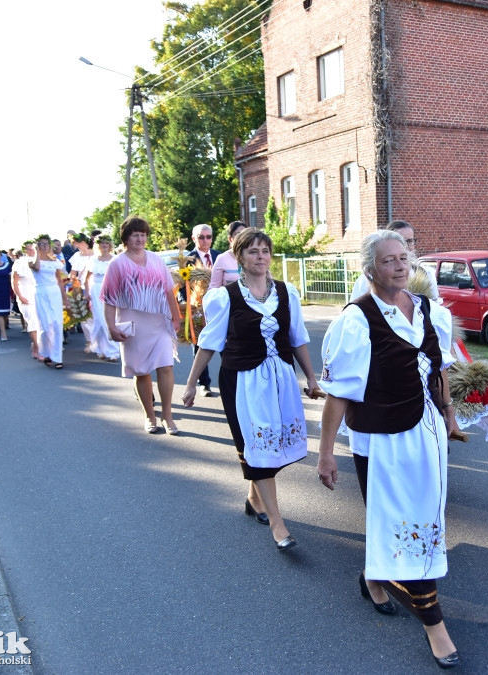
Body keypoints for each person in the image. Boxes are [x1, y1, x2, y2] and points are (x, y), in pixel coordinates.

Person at [317, 229, 460, 669]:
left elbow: (438, 371)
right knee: (401, 520)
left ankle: (373, 576)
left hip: (428, 434)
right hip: (382, 439)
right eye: (389, 261)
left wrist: (450, 413)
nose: (401, 266)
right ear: (370, 270)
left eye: (404, 257)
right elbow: (338, 394)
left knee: (426, 517)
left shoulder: (431, 311)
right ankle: (434, 624)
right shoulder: (356, 320)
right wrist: (325, 453)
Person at [181, 228, 320, 551]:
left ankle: (254, 499)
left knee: (275, 446)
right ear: (240, 257)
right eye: (253, 251)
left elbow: (297, 338)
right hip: (242, 381)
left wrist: (311, 379)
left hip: (281, 379)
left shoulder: (287, 293)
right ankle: (277, 522)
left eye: (265, 251)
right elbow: (209, 343)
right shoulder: (224, 296)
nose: (260, 257)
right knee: (257, 447)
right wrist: (191, 383)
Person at [101, 216, 182, 434]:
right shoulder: (116, 264)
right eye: (135, 234)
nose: (140, 238)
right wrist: (111, 327)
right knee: (141, 371)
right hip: (133, 324)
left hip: (159, 321)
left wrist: (176, 318)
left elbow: (168, 291)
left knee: (166, 366)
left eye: (143, 234)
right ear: (126, 238)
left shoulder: (156, 260)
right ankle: (150, 415)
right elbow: (109, 300)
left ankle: (167, 415)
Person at [348, 221, 438, 301]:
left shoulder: (425, 273)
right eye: (400, 241)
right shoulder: (365, 280)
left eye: (410, 241)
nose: (405, 246)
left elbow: (434, 304)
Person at [188, 223, 221, 396]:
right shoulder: (187, 259)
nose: (205, 240)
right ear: (194, 238)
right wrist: (188, 307)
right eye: (201, 237)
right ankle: (204, 383)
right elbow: (181, 287)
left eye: (208, 236)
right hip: (198, 309)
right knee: (200, 346)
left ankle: (230, 380)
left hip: (219, 307)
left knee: (225, 344)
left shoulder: (219, 256)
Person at [29, 235, 68, 368]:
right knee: (46, 327)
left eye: (46, 244)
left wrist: (65, 299)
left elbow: (60, 281)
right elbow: (37, 267)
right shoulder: (32, 260)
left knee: (57, 325)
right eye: (41, 244)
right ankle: (46, 353)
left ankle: (57, 358)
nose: (44, 246)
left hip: (54, 292)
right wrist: (36, 252)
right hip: (40, 292)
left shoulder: (55, 262)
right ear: (37, 246)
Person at [84, 234, 121, 362]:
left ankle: (113, 351)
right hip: (96, 290)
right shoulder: (93, 260)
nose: (104, 245)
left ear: (110, 245)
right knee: (99, 321)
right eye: (102, 243)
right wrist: (87, 292)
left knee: (110, 321)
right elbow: (87, 278)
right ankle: (100, 348)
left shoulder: (115, 259)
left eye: (106, 243)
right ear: (98, 245)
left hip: (111, 289)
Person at [67, 233, 96, 353]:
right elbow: (73, 273)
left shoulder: (96, 254)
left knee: (97, 316)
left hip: (97, 287)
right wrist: (73, 282)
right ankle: (89, 341)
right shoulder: (76, 256)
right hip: (82, 287)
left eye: (77, 243)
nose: (76, 245)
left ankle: (99, 341)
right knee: (84, 316)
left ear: (83, 242)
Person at [12, 241, 39, 358]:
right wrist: (20, 296)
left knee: (41, 321)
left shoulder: (42, 259)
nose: (31, 251)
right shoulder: (20, 262)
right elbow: (14, 281)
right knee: (32, 320)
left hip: (39, 292)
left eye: (33, 249)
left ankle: (37, 344)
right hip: (26, 292)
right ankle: (37, 348)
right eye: (28, 249)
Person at [208, 221, 247, 289]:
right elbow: (214, 289)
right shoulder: (222, 259)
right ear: (230, 239)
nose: (242, 237)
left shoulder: (254, 257)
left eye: (245, 234)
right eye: (238, 234)